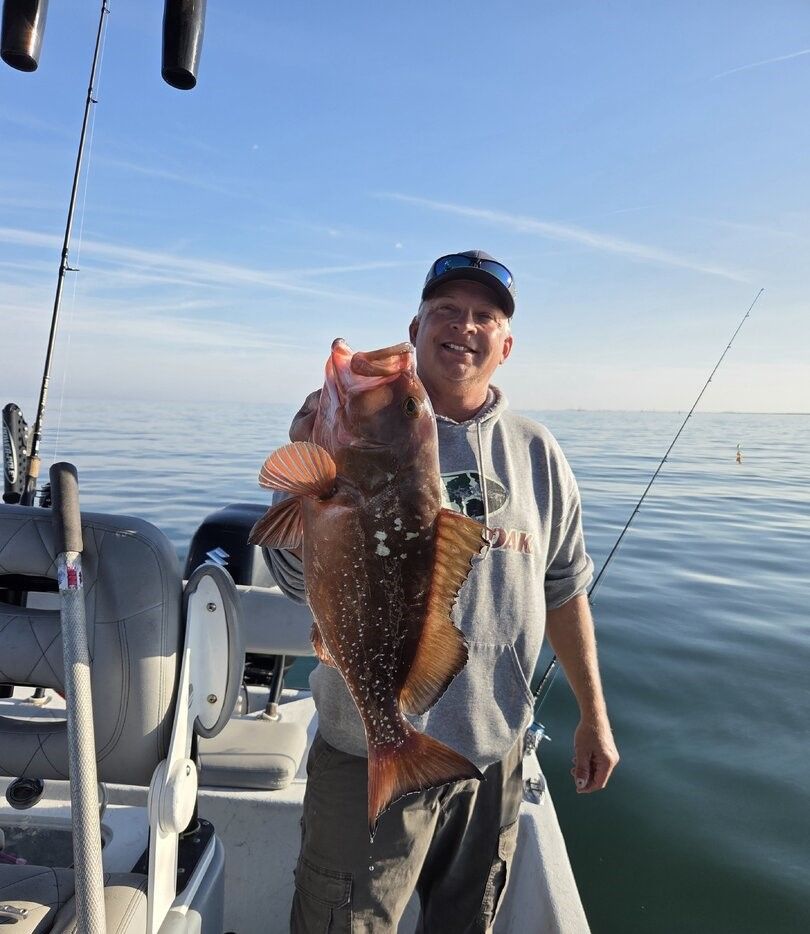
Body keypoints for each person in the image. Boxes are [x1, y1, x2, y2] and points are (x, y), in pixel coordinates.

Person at [266, 250, 619, 933]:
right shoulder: (335, 448)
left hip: (493, 756)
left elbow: (566, 589)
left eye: (484, 315)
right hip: (363, 749)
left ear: (506, 344)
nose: (465, 326)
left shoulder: (539, 452)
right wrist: (309, 475)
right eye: (446, 311)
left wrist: (593, 715)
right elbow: (290, 579)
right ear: (417, 326)